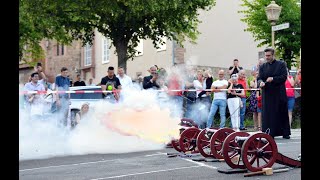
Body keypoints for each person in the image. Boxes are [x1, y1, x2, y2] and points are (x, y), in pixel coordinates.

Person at [258, 47, 290, 139]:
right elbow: (259, 78)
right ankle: (269, 132)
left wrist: (273, 79)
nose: (267, 57)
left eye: (269, 55)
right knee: (269, 114)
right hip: (267, 94)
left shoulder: (281, 64)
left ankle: (285, 132)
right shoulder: (263, 66)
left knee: (281, 112)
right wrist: (261, 82)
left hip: (279, 93)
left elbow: (284, 77)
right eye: (266, 56)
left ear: (273, 55)